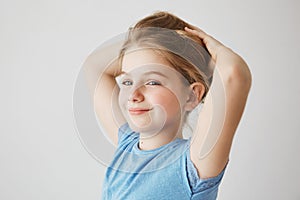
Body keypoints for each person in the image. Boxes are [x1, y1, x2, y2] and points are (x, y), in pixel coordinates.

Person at [84, 11, 252, 200]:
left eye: (152, 82)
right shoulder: (127, 145)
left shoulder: (192, 165)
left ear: (190, 96)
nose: (133, 95)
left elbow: (233, 74)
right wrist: (143, 41)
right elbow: (94, 66)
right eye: (128, 81)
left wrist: (211, 47)